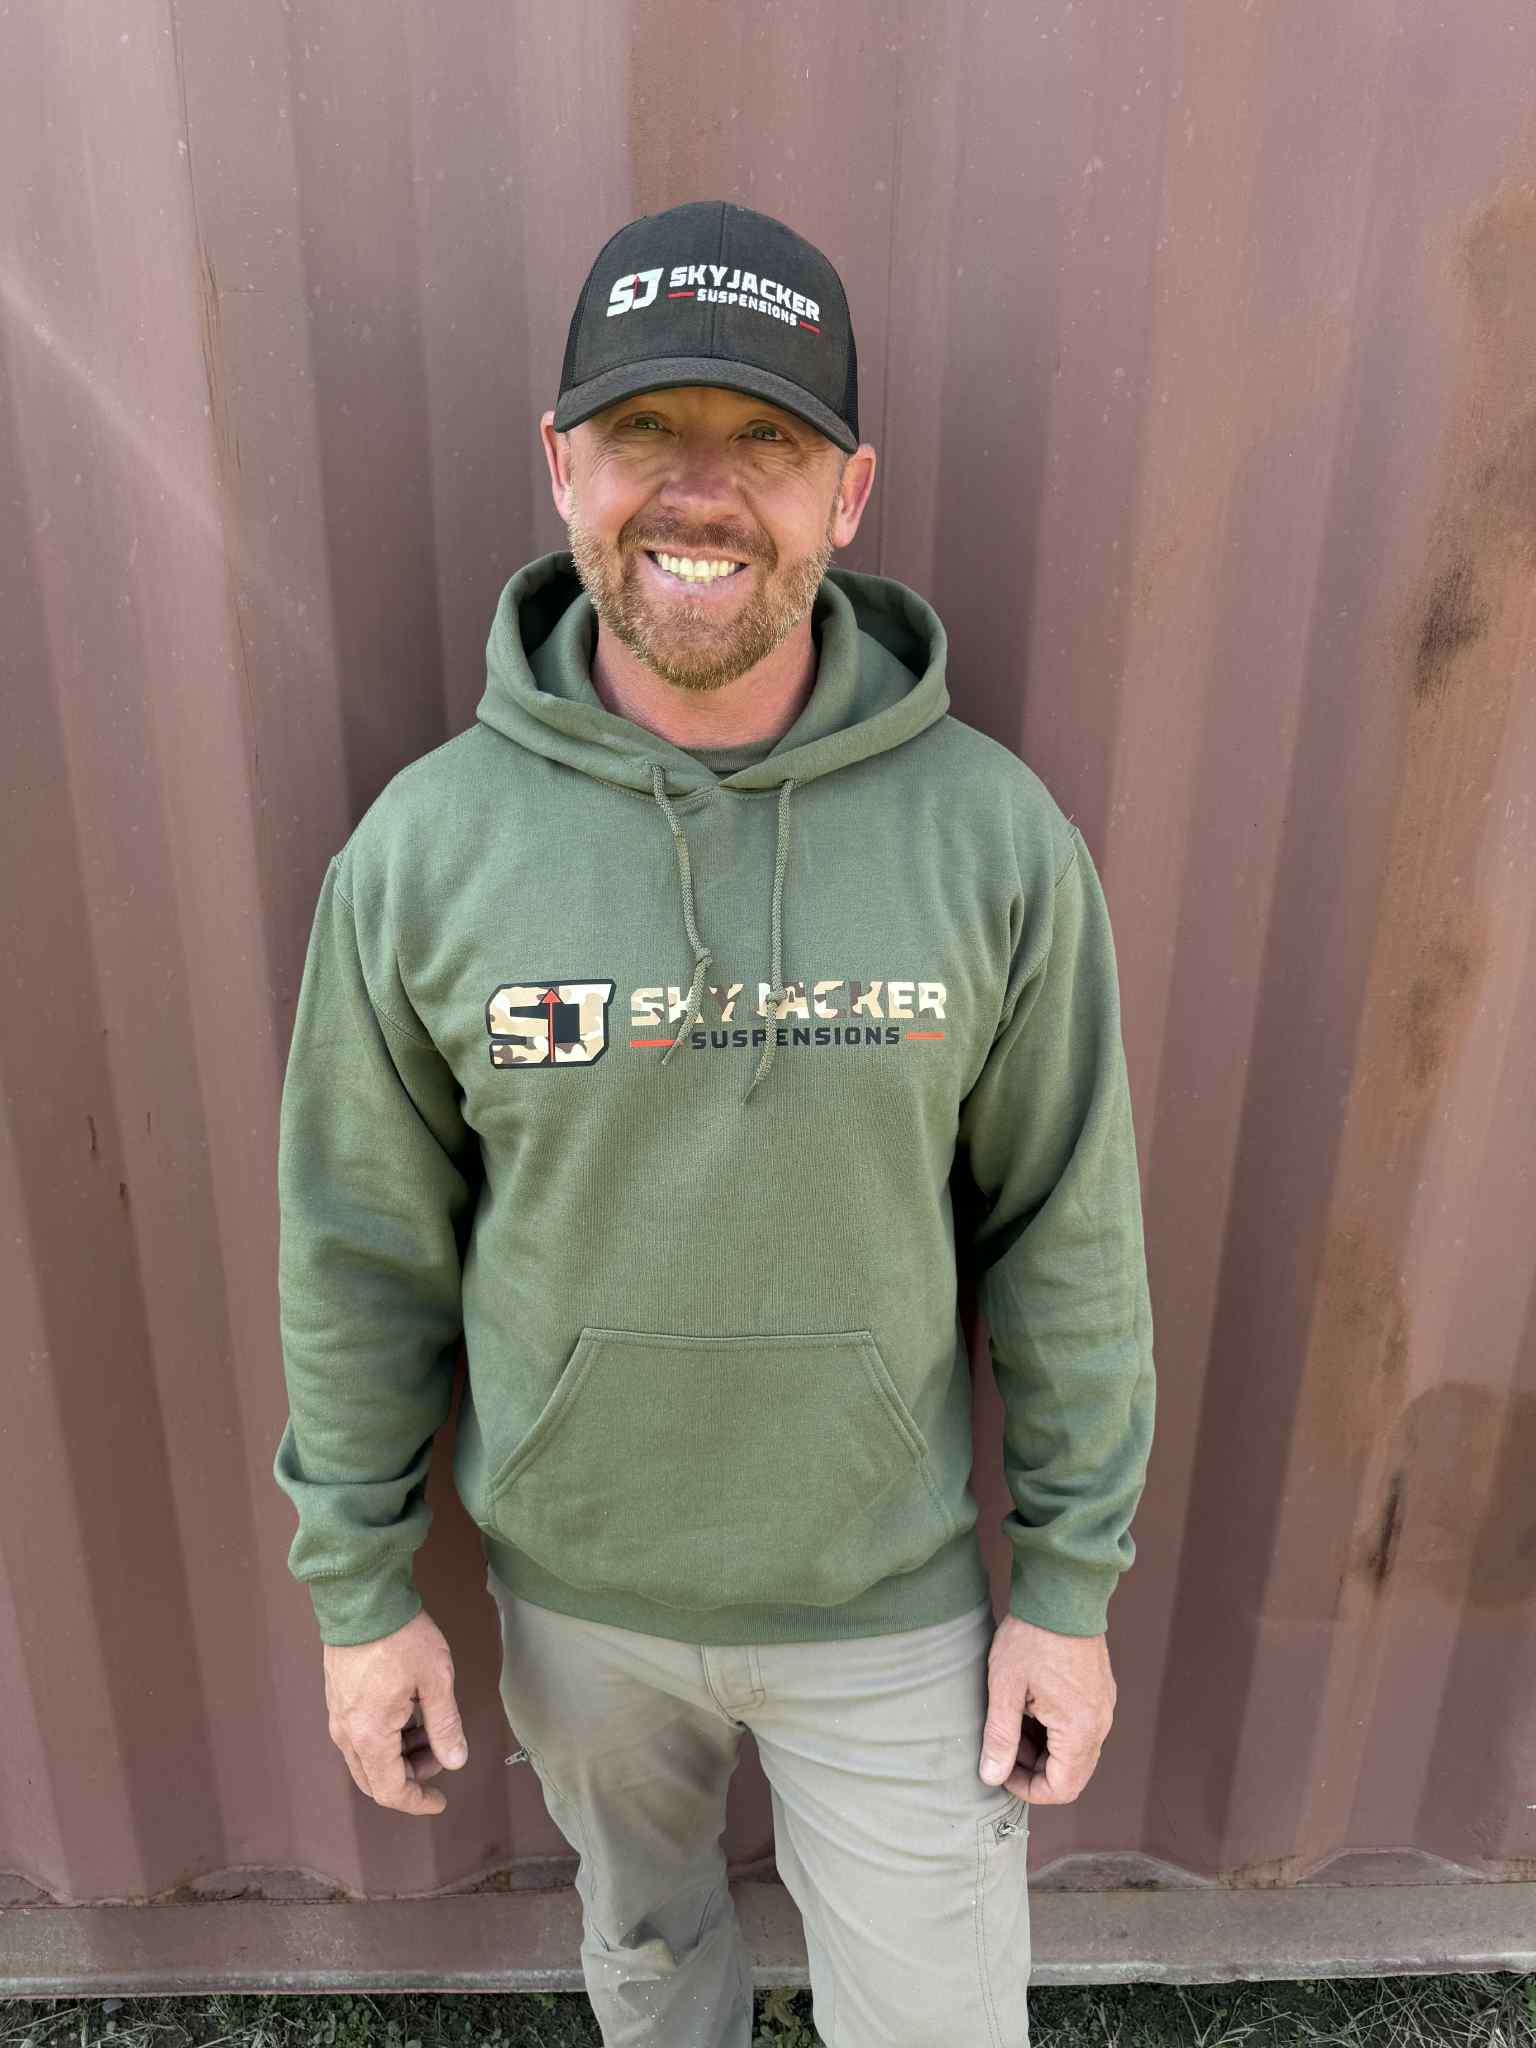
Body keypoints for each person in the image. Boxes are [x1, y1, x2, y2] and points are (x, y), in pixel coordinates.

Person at [273, 198, 1156, 2048]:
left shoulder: (991, 840)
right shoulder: (426, 853)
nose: (702, 490)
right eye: (645, 431)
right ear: (561, 468)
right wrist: (360, 1594)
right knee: (652, 1965)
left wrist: (1068, 1589)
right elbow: (358, 1253)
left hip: (888, 1601)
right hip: (576, 1602)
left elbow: (1066, 1235)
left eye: (768, 437)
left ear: (850, 495)